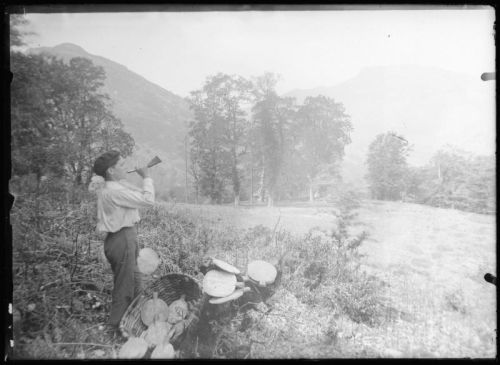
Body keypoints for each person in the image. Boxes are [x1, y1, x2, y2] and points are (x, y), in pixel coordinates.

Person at [89, 150, 155, 335]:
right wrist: (147, 177)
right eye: (121, 165)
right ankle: (115, 328)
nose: (125, 168)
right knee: (125, 286)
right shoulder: (114, 190)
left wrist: (139, 181)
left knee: (135, 282)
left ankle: (136, 323)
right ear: (111, 170)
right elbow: (148, 200)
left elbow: (132, 193)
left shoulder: (112, 187)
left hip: (121, 238)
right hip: (122, 238)